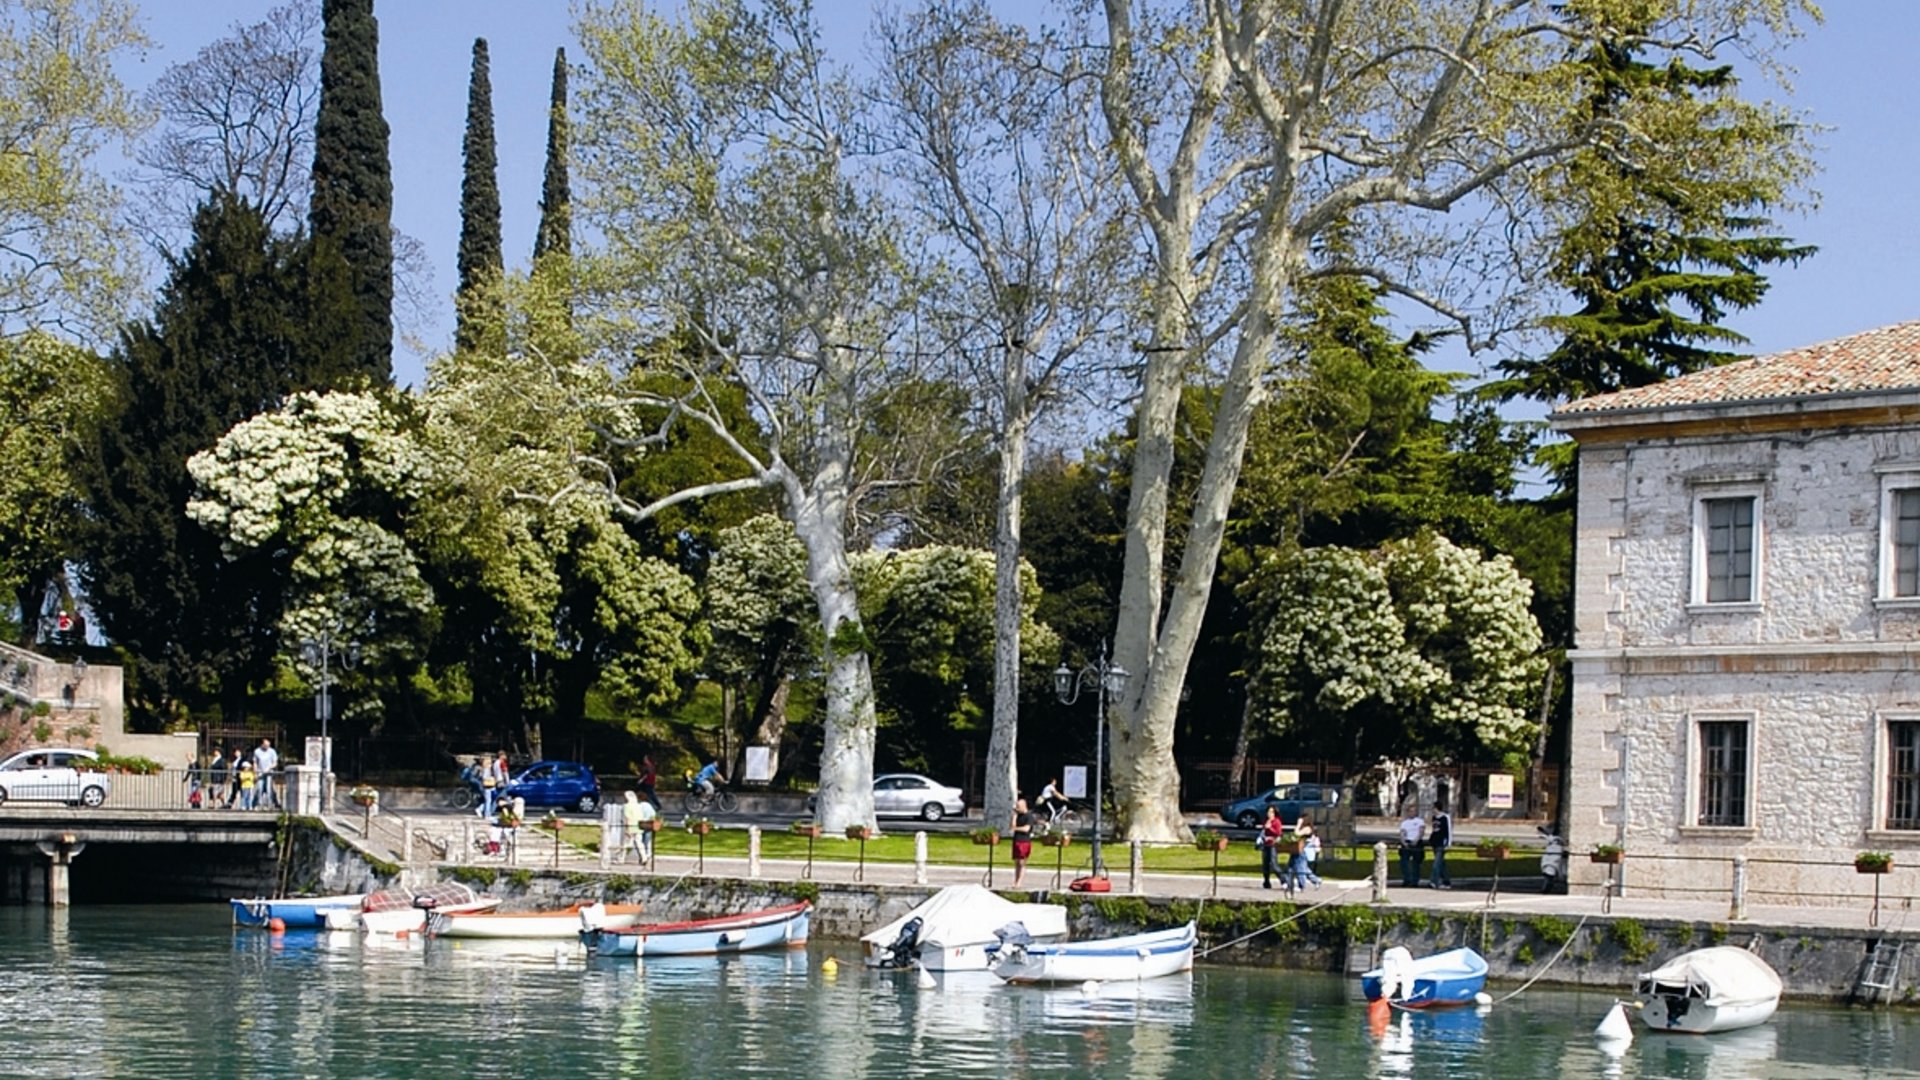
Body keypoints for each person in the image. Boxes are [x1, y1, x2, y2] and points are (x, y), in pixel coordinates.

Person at [623, 790, 657, 865]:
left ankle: (621, 857)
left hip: (638, 825)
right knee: (644, 841)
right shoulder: (647, 805)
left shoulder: (639, 806)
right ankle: (646, 855)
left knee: (629, 843)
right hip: (647, 824)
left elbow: (628, 817)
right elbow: (653, 814)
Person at [1290, 814, 1321, 890]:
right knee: (1293, 868)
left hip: (1302, 851)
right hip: (1297, 849)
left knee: (1301, 869)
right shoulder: (1303, 828)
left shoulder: (1308, 829)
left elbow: (1297, 833)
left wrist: (1298, 824)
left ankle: (1301, 886)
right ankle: (1316, 880)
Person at [1397, 805, 1426, 887]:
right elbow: (1402, 833)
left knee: (1416, 863)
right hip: (1407, 842)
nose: (1412, 813)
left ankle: (1415, 881)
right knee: (1404, 862)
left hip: (1416, 842)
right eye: (1410, 811)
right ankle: (1407, 879)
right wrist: (1403, 842)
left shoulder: (1420, 821)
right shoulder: (1404, 823)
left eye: (1414, 811)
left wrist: (1416, 840)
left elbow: (1421, 832)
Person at [1259, 805, 1286, 889]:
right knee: (1265, 864)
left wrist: (1270, 828)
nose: (1269, 814)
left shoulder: (1276, 821)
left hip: (1273, 844)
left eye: (1271, 812)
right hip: (1265, 844)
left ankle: (1284, 880)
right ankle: (1266, 882)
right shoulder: (1266, 821)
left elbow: (1278, 833)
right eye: (1268, 812)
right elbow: (1263, 831)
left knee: (1274, 864)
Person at [1009, 797, 1034, 887]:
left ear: (1024, 806)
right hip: (1016, 840)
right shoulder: (1018, 815)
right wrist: (1014, 815)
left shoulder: (1029, 816)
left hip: (1024, 841)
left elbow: (1026, 829)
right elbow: (1012, 826)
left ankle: (1019, 882)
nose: (1017, 808)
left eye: (1019, 806)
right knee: (1016, 862)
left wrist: (1015, 829)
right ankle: (1015, 881)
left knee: (1022, 862)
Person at [1428, 806, 1454, 889]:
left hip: (1442, 843)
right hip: (1435, 842)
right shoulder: (1434, 818)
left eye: (1433, 808)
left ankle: (1433, 881)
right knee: (1441, 863)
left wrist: (1448, 843)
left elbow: (1448, 831)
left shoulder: (1445, 817)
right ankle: (1446, 881)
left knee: (1436, 863)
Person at [252, 738, 280, 809]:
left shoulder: (272, 751)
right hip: (260, 773)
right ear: (262, 744)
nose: (267, 746)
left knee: (268, 788)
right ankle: (259, 804)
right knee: (260, 788)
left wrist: (269, 768)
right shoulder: (257, 751)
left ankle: (269, 804)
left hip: (269, 773)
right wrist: (255, 772)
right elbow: (255, 762)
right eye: (265, 745)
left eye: (268, 745)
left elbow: (275, 763)